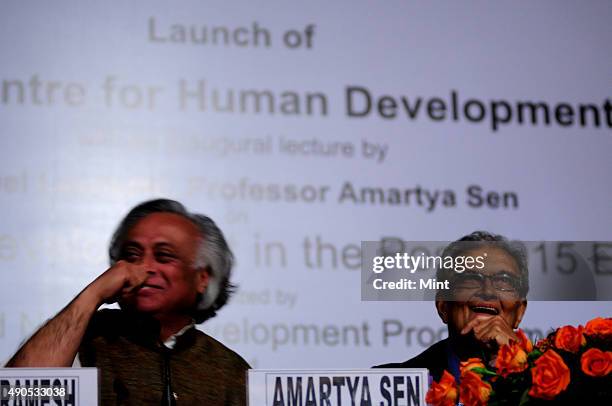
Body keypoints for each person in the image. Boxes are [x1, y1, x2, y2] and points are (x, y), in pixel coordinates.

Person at [5, 199, 249, 405]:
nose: (144, 268)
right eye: (131, 256)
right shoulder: (81, 340)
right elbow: (18, 397)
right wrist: (92, 295)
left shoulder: (230, 371)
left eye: (164, 256)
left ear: (202, 278)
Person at [376, 231, 529, 382]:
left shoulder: (547, 389)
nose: (487, 291)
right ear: (443, 306)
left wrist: (521, 369)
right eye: (470, 279)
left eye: (504, 281)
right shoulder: (386, 385)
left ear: (520, 312)